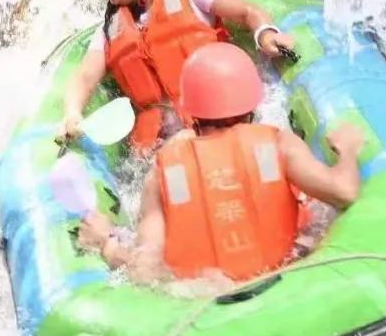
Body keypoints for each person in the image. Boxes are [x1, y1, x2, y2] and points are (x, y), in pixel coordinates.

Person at [77, 42, 365, 284]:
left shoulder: (163, 170)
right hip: (287, 274)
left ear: (191, 114)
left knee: (119, 246)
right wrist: (348, 150)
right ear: (252, 106)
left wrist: (107, 245)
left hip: (206, 295)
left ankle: (102, 239)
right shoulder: (279, 143)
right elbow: (344, 191)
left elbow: (144, 269)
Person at [59, 0, 296, 151]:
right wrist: (72, 114)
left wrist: (266, 34)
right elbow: (85, 76)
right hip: (169, 142)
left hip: (222, 115)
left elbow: (247, 12)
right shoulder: (111, 26)